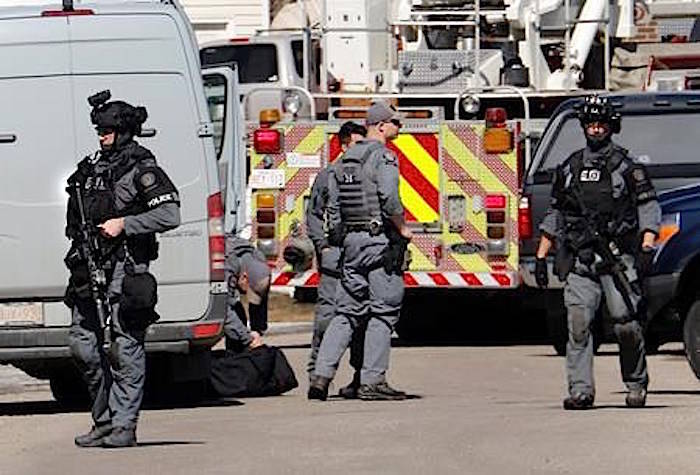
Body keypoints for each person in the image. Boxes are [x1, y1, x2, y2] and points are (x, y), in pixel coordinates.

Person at [65, 91, 181, 447]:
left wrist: (124, 224)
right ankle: (103, 420)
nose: (100, 136)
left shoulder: (142, 169)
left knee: (124, 349)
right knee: (83, 347)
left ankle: (124, 426)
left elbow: (170, 213)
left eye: (106, 131)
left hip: (125, 269)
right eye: (98, 130)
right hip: (89, 267)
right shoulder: (93, 167)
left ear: (124, 131)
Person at [535, 94, 661, 410]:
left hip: (616, 257)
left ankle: (636, 383)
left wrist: (647, 245)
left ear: (610, 127)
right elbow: (556, 212)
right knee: (578, 325)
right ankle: (580, 391)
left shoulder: (627, 168)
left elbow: (648, 207)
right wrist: (541, 255)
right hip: (580, 259)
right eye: (590, 124)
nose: (595, 129)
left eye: (600, 123)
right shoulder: (570, 168)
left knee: (625, 324)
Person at [309, 101, 412, 401]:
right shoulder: (384, 158)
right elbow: (389, 197)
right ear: (381, 125)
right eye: (396, 122)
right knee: (384, 311)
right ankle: (372, 381)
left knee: (346, 312)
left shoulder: (343, 161)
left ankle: (320, 377)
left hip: (350, 246)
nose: (399, 127)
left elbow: (334, 209)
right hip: (377, 242)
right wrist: (402, 228)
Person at [306, 121, 367, 398]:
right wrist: (323, 247)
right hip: (336, 258)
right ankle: (317, 378)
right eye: (355, 144)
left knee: (362, 321)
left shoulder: (370, 174)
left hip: (361, 258)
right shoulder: (328, 175)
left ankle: (359, 378)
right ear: (343, 145)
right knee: (326, 320)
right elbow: (314, 214)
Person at [223, 235, 271, 352]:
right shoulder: (226, 265)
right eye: (247, 290)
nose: (246, 295)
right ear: (244, 277)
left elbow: (261, 301)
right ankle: (234, 359)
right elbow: (223, 309)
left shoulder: (259, 260)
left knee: (239, 318)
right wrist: (248, 339)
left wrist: (257, 330)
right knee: (237, 317)